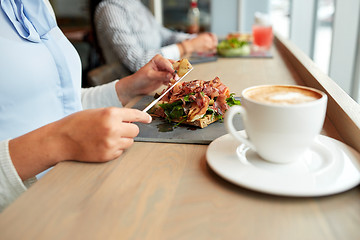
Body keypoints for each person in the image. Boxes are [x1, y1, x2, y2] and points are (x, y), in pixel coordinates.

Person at [0, 0, 176, 211]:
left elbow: (58, 100)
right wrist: (59, 140)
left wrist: (126, 88)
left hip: (79, 187)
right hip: (25, 213)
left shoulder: (39, 5)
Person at [93, 0, 218, 75]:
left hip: (155, 82)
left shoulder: (135, 4)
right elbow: (139, 62)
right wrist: (188, 46)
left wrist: (197, 39)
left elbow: (165, 36)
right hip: (134, 96)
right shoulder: (110, 9)